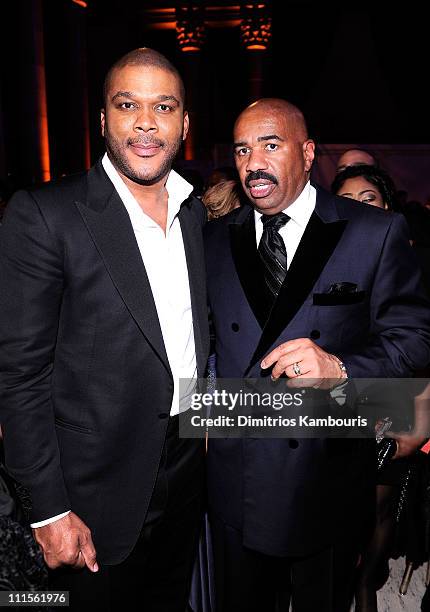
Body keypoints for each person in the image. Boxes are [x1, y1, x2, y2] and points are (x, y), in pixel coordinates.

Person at [0, 48, 209, 611]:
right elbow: (19, 376)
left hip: (187, 470)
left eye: (163, 106)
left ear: (185, 124)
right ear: (103, 120)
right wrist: (47, 509)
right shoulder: (45, 214)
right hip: (88, 492)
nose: (145, 122)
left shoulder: (195, 214)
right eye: (127, 104)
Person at [204, 98, 430, 611]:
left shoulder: (372, 232)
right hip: (235, 482)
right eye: (242, 149)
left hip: (326, 476)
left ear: (307, 154)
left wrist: (342, 368)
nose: (253, 162)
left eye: (270, 144)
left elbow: (414, 336)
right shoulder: (213, 239)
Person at [332, 163, 429, 612]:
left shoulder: (408, 260)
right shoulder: (320, 259)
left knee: (381, 507)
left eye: (367, 198)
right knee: (337, 511)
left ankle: (365, 587)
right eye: (346, 200)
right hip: (334, 403)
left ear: (387, 207)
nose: (357, 208)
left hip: (393, 400)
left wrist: (423, 411)